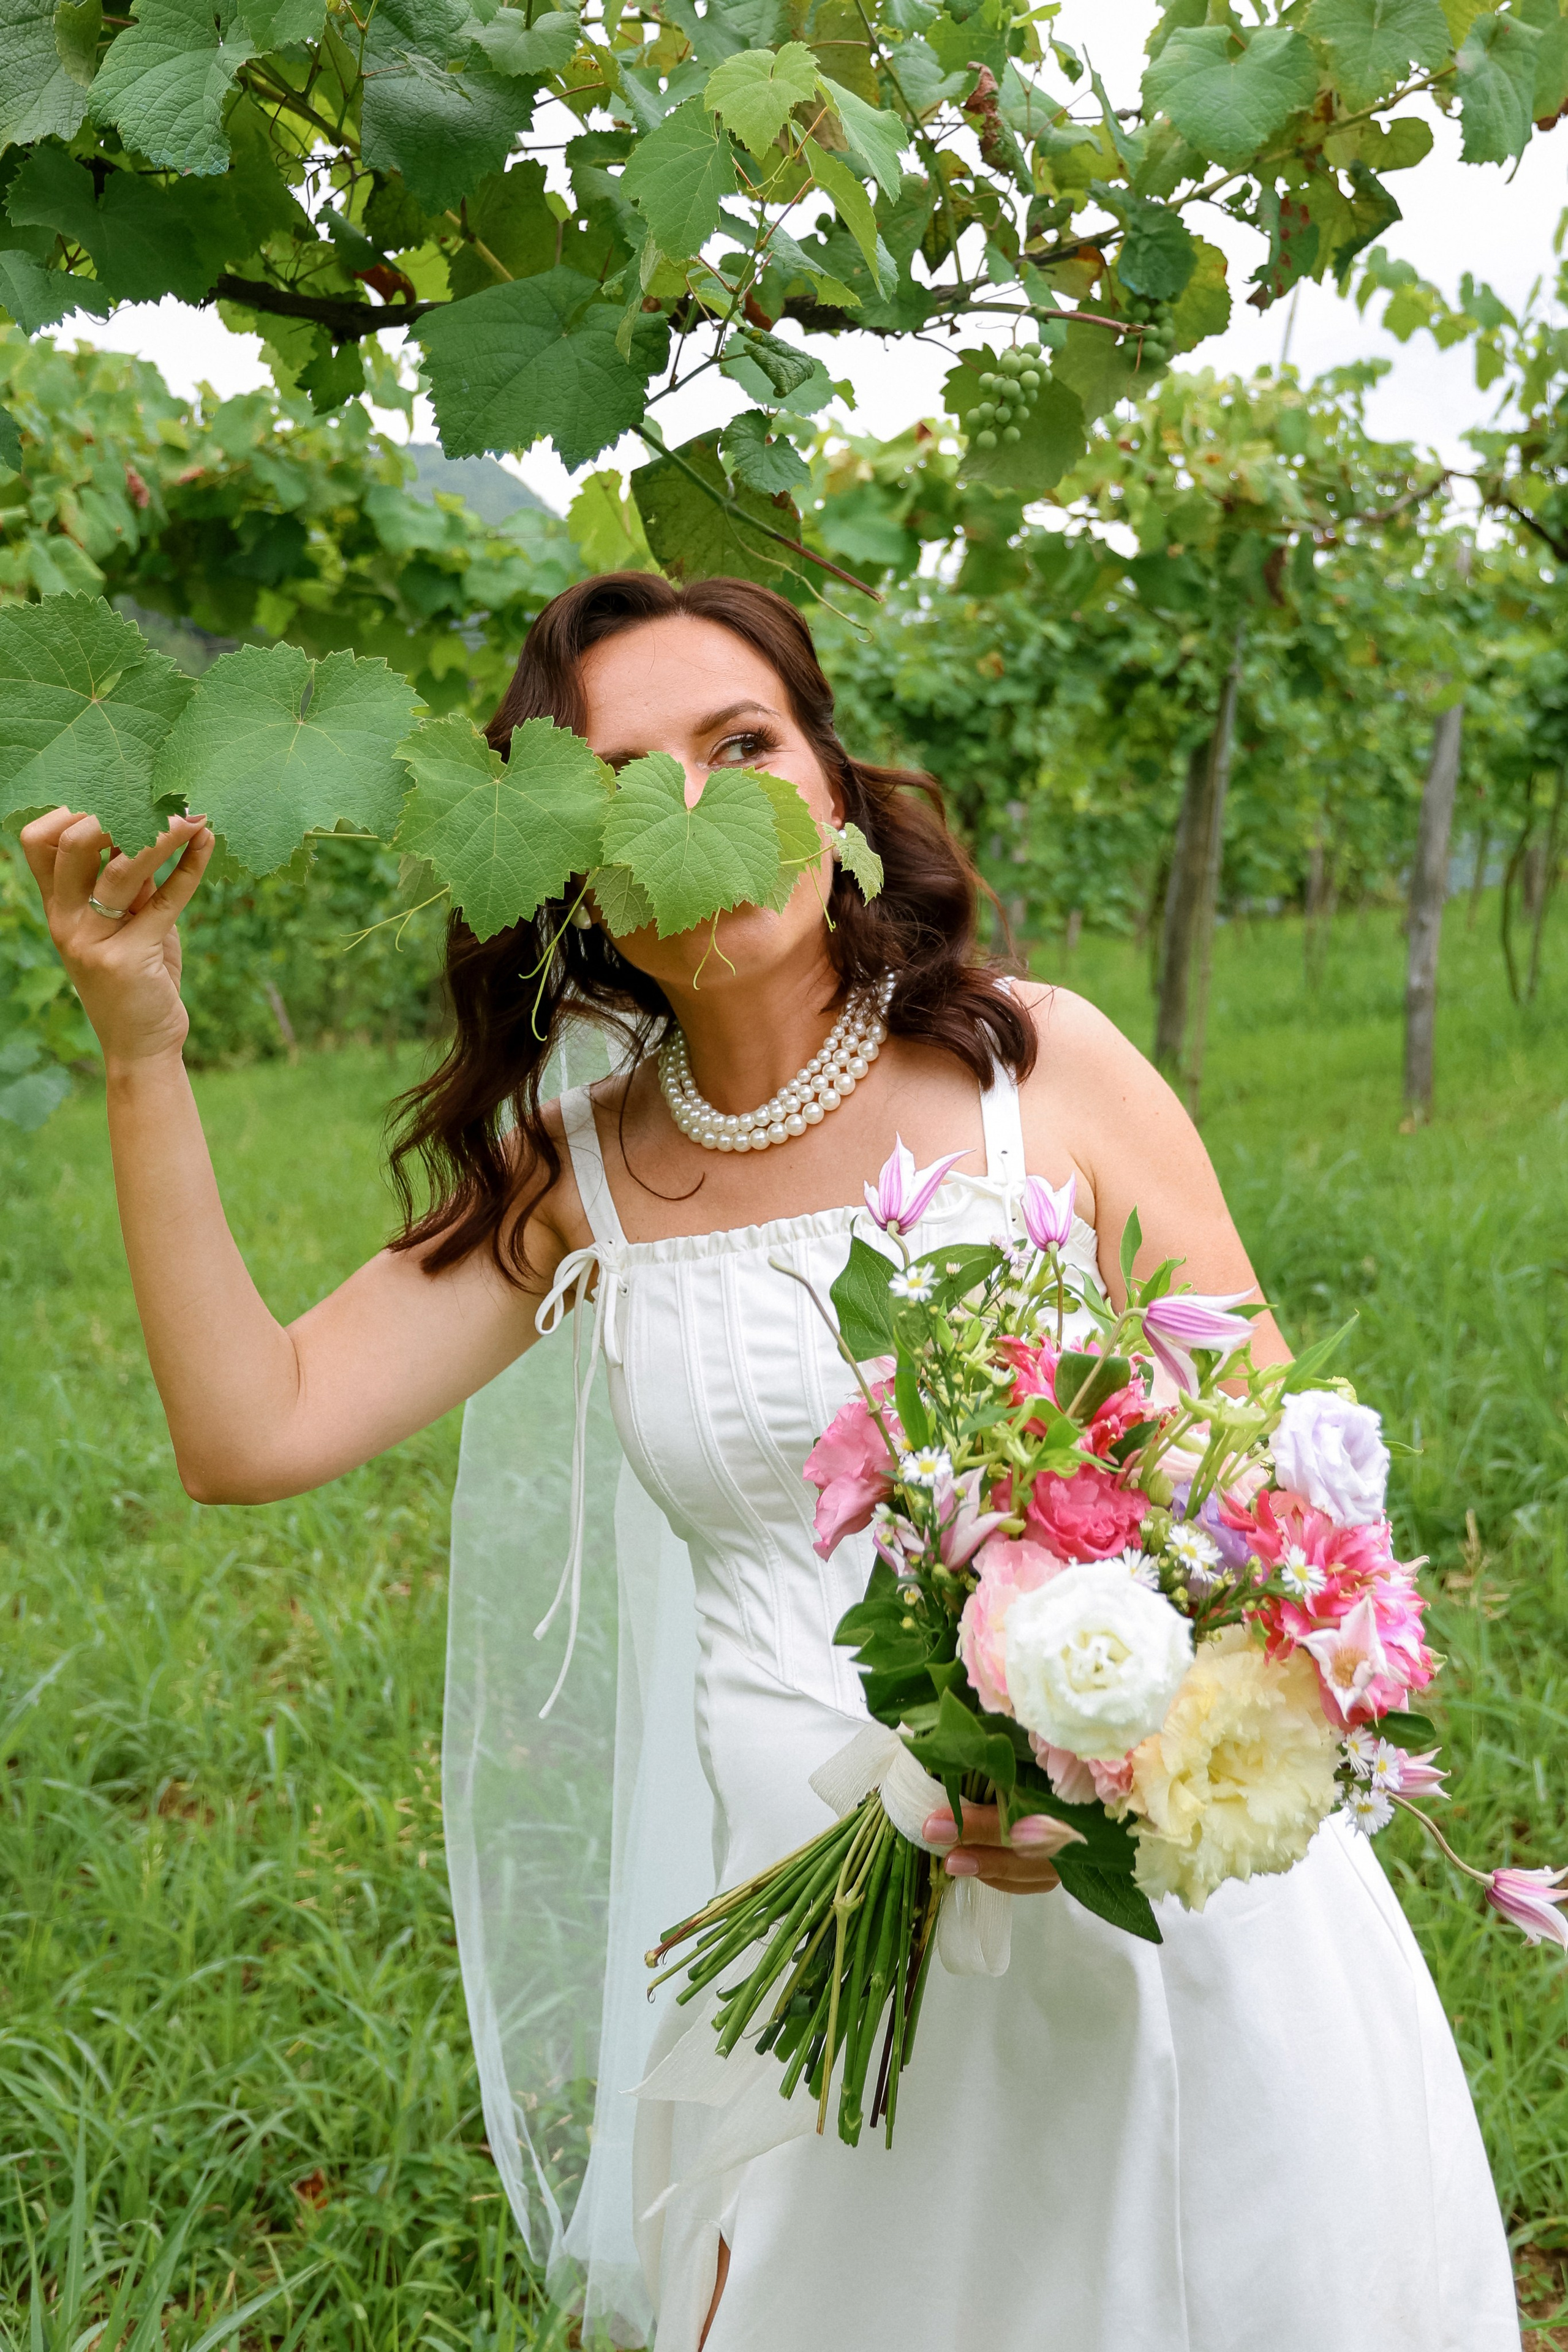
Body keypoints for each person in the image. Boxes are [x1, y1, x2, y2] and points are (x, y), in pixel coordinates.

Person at [21, 574, 1519, 2352]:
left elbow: (1290, 1504)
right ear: (574, 857)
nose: (705, 811)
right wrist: (141, 1047)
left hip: (1147, 1909)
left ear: (833, 788)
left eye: (746, 746)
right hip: (812, 1961)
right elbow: (246, 1430)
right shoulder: (579, 1171)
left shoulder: (1045, 1073)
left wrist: (1103, 1756)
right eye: (627, 776)